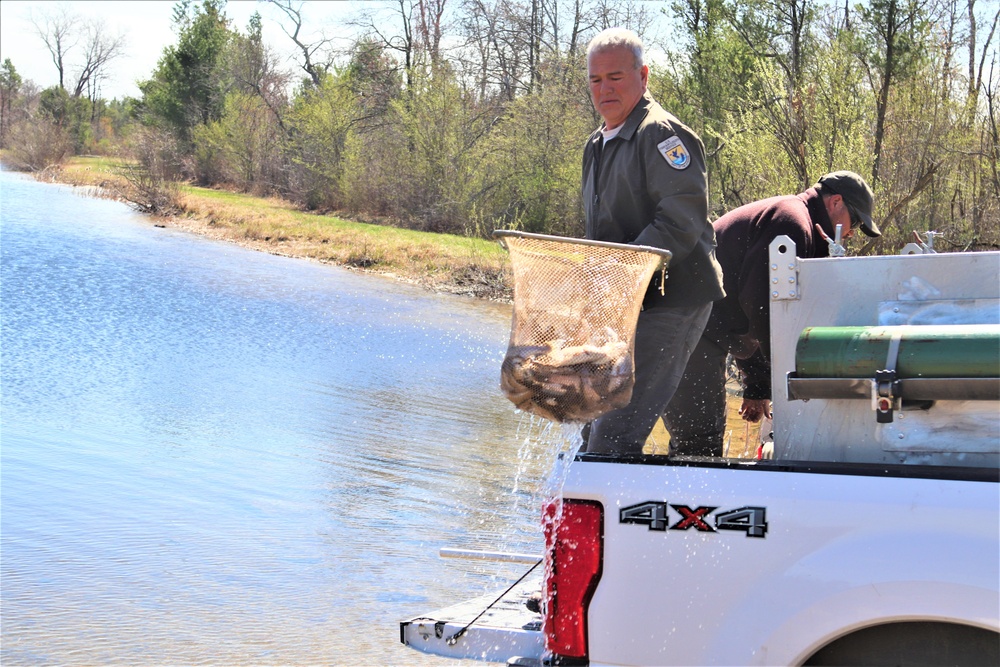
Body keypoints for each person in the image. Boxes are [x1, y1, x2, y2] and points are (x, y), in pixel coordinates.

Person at [661, 171, 881, 456]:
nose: (851, 233)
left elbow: (753, 313)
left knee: (696, 443)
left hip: (704, 326)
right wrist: (779, 378)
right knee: (698, 443)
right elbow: (763, 309)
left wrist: (757, 384)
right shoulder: (790, 222)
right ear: (836, 202)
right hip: (684, 323)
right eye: (857, 222)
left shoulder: (800, 223)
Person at [581, 28, 725, 456]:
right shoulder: (597, 143)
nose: (604, 89)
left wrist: (619, 275)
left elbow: (679, 221)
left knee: (613, 436)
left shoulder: (660, 134)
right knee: (587, 429)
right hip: (629, 300)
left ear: (643, 76)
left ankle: (617, 517)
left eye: (616, 77)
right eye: (595, 80)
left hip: (673, 300)